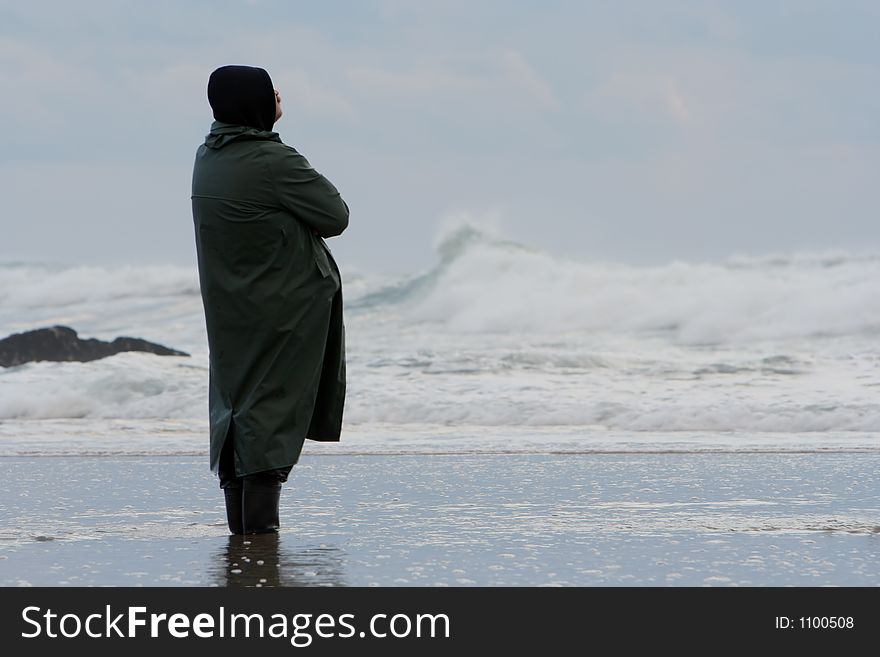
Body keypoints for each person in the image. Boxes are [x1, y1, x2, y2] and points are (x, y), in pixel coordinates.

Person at [191, 65, 349, 534]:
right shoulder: (271, 161)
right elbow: (335, 215)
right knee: (271, 425)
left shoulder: (208, 155)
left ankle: (243, 543)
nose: (279, 95)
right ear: (254, 103)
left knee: (239, 414)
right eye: (270, 90)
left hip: (231, 310)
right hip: (282, 311)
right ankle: (259, 547)